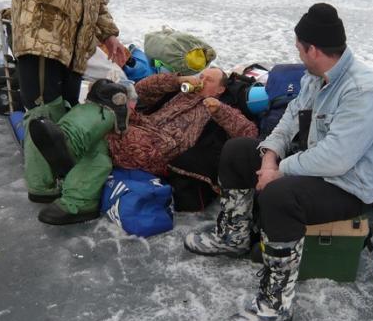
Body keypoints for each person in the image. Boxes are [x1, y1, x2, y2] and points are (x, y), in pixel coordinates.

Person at [184, 3, 373, 321]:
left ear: (313, 49)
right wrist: (269, 158)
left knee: (281, 196)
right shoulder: (315, 77)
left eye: (299, 48)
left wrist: (280, 172)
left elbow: (336, 159)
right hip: (314, 167)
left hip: (348, 186)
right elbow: (288, 121)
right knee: (239, 150)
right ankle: (234, 236)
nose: (296, 53)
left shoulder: (362, 91)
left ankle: (276, 304)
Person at [1, 0, 127, 204]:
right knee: (45, 114)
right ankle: (41, 188)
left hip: (76, 46)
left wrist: (108, 35)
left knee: (67, 113)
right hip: (42, 34)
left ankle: (59, 180)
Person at [28, 67, 259, 225]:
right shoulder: (180, 92)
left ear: (220, 89)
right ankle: (74, 186)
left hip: (160, 146)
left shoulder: (219, 107)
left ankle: (67, 143)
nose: (202, 80)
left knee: (108, 121)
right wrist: (177, 81)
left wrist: (219, 110)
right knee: (111, 95)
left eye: (209, 79)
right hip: (144, 126)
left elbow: (248, 133)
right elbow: (142, 89)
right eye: (201, 75)